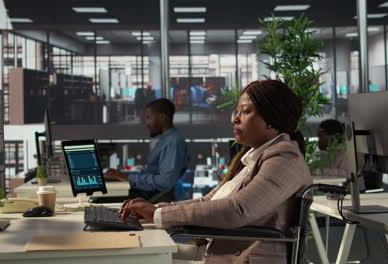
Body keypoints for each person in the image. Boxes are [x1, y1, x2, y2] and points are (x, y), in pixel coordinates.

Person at [119, 80, 312, 263]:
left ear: (270, 120)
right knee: (136, 252)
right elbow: (207, 202)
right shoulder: (252, 158)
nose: (235, 118)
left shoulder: (285, 159)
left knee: (135, 257)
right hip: (218, 251)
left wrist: (158, 215)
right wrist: (159, 210)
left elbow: (237, 210)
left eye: (245, 112)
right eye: (237, 112)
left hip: (242, 259)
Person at [105, 98, 189, 200]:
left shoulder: (173, 143)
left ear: (162, 117)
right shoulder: (166, 140)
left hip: (149, 200)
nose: (147, 123)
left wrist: (128, 178)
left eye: (149, 117)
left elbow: (165, 182)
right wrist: (124, 175)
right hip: (144, 194)